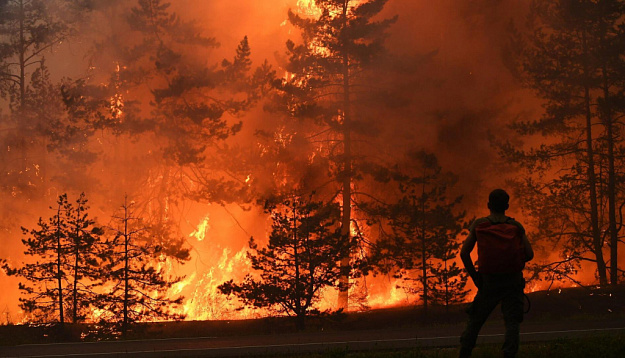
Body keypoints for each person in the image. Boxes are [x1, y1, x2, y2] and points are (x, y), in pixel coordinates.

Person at [458, 189, 534, 358]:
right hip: (513, 282)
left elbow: (464, 253)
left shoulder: (480, 225)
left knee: (476, 320)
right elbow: (530, 254)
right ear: (507, 206)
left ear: (488, 205)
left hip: (489, 282)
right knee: (512, 322)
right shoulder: (516, 226)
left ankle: (465, 353)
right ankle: (509, 354)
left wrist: (476, 278)